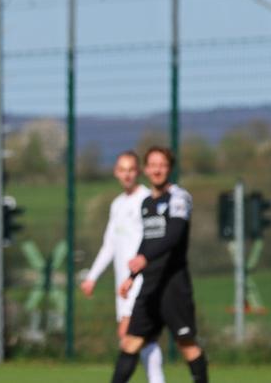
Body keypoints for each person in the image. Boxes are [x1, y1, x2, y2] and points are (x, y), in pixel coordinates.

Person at [111, 147, 209, 383]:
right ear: (146, 170)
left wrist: (144, 259)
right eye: (153, 165)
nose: (157, 169)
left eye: (162, 165)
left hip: (174, 286)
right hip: (150, 285)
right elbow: (147, 242)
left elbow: (174, 234)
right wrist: (131, 277)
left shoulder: (178, 197)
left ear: (169, 168)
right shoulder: (146, 203)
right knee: (130, 341)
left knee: (186, 344)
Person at [80, 151, 163, 383]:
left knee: (130, 337)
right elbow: (110, 244)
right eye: (122, 170)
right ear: (116, 172)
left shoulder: (146, 199)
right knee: (140, 340)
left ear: (138, 172)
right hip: (122, 284)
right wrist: (92, 277)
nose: (126, 175)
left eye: (131, 170)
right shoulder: (117, 204)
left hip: (140, 281)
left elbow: (155, 240)